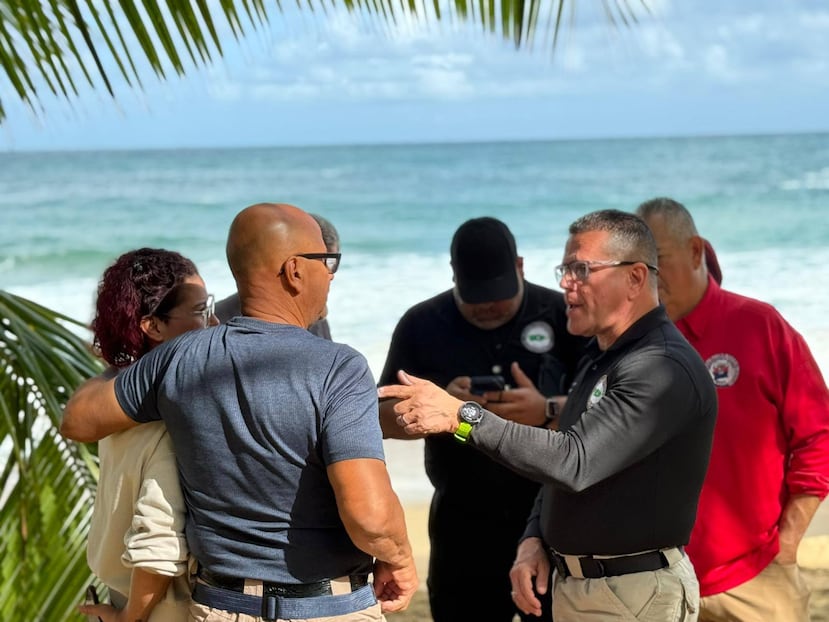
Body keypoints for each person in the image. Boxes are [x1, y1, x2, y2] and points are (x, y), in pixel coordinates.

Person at [62, 203, 418, 621]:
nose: (331, 274)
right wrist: (401, 559)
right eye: (327, 261)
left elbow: (79, 419)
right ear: (294, 270)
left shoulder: (178, 360)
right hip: (327, 608)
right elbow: (369, 516)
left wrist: (126, 362)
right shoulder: (340, 368)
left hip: (220, 608)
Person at [379, 209, 718, 622]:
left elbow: (572, 460)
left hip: (630, 590)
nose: (565, 283)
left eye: (581, 269)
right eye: (565, 268)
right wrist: (535, 536)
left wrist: (462, 416)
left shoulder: (660, 366)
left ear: (634, 278)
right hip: (527, 555)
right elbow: (564, 470)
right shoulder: (602, 353)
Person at [378, 216, 587, 622]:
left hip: (549, 517)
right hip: (462, 521)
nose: (489, 305)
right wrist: (436, 409)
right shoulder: (421, 325)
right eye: (476, 296)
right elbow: (378, 419)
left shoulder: (566, 315)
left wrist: (546, 408)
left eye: (499, 294)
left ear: (521, 267)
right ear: (454, 275)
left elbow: (605, 409)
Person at [636, 197, 829, 622]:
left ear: (694, 251)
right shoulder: (631, 342)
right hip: (653, 583)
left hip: (754, 579)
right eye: (636, 265)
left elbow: (819, 435)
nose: (646, 276)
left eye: (657, 261)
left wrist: (790, 541)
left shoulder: (760, 327)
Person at [81, 247, 218, 622]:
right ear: (153, 326)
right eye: (199, 312)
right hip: (157, 609)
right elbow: (158, 544)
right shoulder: (169, 418)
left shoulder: (115, 403)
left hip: (124, 596)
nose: (214, 322)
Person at [215, 212, 338, 339]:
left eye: (330, 264)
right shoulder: (219, 320)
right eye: (325, 265)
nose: (329, 276)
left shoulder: (214, 323)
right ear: (294, 270)